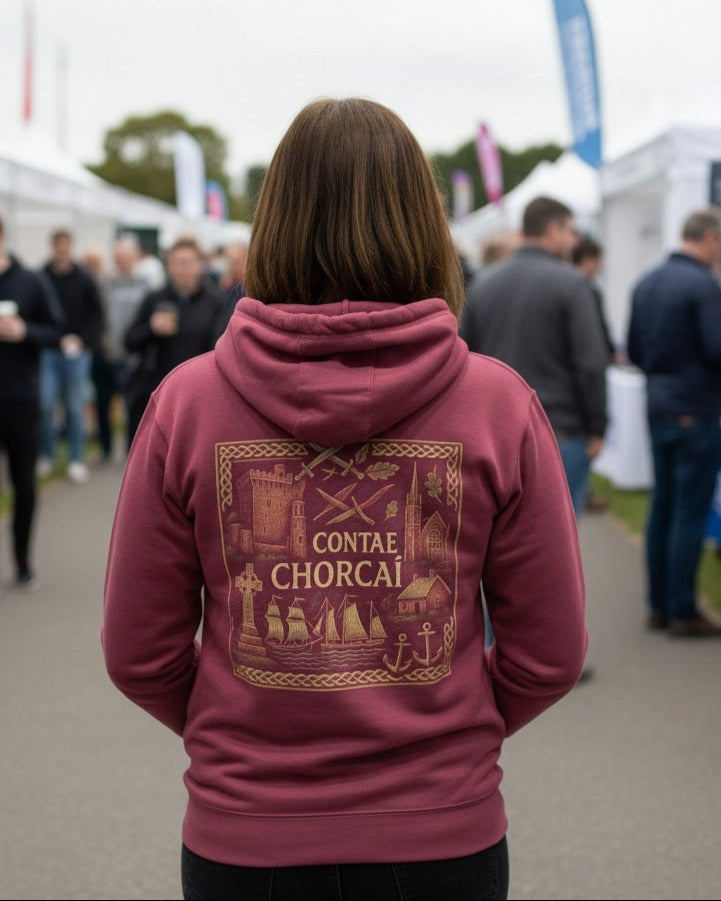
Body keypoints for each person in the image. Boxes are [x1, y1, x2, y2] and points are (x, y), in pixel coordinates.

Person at [102, 98, 588, 901]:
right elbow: (551, 653)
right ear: (422, 223)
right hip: (442, 837)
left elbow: (135, 652)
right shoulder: (496, 405)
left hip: (244, 840)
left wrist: (244, 729)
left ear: (274, 221)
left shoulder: (186, 404)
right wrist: (443, 731)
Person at [461, 196, 609, 519]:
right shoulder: (573, 284)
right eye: (571, 231)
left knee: (501, 547)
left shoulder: (484, 284)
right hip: (558, 433)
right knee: (559, 548)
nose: (574, 240)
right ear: (553, 230)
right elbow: (591, 363)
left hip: (493, 434)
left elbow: (462, 355)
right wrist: (597, 426)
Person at [627, 206, 721, 637]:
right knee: (688, 510)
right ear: (710, 238)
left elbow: (634, 350)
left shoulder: (647, 282)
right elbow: (715, 348)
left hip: (658, 405)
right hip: (695, 408)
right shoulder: (703, 285)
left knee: (663, 504)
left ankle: (658, 605)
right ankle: (682, 608)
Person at [0, 214, 63, 586]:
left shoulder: (30, 281)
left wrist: (25, 331)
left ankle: (22, 560)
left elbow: (57, 332)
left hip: (21, 398)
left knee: (24, 483)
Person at [122, 234, 226, 447]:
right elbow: (129, 341)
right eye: (176, 263)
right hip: (158, 393)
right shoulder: (155, 299)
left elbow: (221, 350)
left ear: (200, 266)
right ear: (168, 266)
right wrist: (151, 328)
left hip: (199, 396)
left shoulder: (215, 302)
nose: (182, 269)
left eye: (187, 263)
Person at [37, 229, 104, 484]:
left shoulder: (84, 278)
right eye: (58, 246)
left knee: (75, 406)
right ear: (53, 248)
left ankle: (76, 458)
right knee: (45, 404)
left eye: (66, 246)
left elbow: (97, 316)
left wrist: (83, 340)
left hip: (78, 351)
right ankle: (49, 454)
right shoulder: (41, 277)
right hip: (49, 349)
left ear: (70, 248)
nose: (62, 251)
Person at [91, 236, 149, 459]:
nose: (122, 261)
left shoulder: (144, 285)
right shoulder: (106, 285)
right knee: (103, 402)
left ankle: (131, 452)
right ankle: (105, 448)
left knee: (131, 406)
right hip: (107, 353)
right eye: (118, 258)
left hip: (133, 356)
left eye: (125, 257)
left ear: (134, 257)